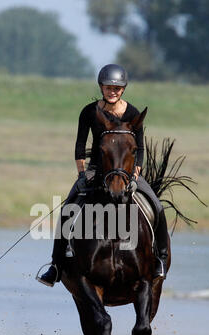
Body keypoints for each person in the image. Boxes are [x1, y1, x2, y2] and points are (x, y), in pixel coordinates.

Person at [37, 64, 168, 287]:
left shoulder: (133, 113)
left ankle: (160, 259)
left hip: (126, 171)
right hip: (97, 169)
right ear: (101, 87)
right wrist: (81, 175)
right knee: (69, 207)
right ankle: (56, 265)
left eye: (117, 88)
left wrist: (135, 175)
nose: (112, 91)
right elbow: (80, 145)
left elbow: (141, 149)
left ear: (123, 89)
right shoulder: (89, 112)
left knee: (156, 205)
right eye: (108, 88)